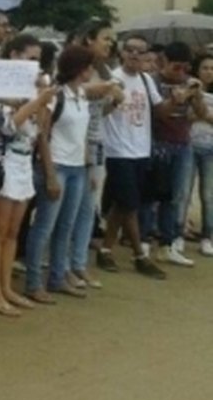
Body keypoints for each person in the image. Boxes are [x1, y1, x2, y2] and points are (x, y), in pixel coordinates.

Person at [0, 34, 55, 315]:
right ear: (13, 55)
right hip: (4, 159)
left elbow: (41, 130)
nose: (36, 64)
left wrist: (41, 101)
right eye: (30, 57)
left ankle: (6, 287)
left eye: (38, 59)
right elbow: (7, 127)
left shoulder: (34, 88)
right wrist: (36, 102)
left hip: (25, 160)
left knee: (13, 231)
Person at [97, 34, 175, 279]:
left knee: (126, 202)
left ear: (147, 56)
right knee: (129, 202)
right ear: (122, 53)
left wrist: (178, 100)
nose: (134, 55)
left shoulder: (145, 80)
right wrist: (114, 101)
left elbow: (160, 110)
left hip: (141, 149)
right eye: (129, 50)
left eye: (140, 51)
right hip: (118, 150)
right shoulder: (112, 78)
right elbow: (102, 111)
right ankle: (140, 255)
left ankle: (106, 249)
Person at [23, 46, 96, 304]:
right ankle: (33, 282)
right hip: (58, 165)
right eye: (88, 66)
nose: (91, 71)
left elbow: (82, 133)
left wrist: (88, 164)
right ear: (79, 68)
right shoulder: (56, 95)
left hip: (75, 166)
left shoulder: (80, 95)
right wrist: (50, 172)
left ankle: (56, 276)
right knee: (45, 226)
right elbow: (42, 133)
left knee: (65, 225)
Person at [139, 42, 207, 266]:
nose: (181, 73)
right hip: (157, 143)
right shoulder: (153, 82)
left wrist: (195, 96)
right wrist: (176, 99)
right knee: (150, 196)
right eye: (176, 67)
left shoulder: (188, 82)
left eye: (185, 68)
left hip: (183, 144)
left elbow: (201, 114)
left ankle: (168, 243)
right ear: (163, 62)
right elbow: (158, 114)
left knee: (175, 197)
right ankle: (144, 240)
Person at [67, 20, 121, 288]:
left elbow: (101, 112)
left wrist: (114, 101)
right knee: (70, 208)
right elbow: (62, 92)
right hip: (74, 144)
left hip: (97, 142)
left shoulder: (105, 69)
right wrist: (96, 90)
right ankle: (63, 265)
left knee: (90, 207)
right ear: (89, 39)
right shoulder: (72, 64)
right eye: (105, 38)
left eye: (111, 40)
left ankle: (79, 264)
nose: (109, 44)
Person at [190, 54, 213, 257]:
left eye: (212, 68)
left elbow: (204, 116)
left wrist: (202, 113)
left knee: (208, 196)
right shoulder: (190, 89)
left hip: (210, 148)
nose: (209, 72)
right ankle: (177, 234)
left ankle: (207, 236)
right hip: (188, 145)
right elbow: (185, 116)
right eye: (205, 67)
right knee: (182, 194)